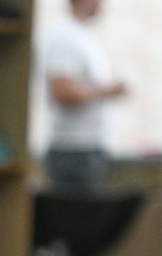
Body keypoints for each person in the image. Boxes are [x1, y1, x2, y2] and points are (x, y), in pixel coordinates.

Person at [42, 0, 127, 187]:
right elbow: (62, 92)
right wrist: (107, 91)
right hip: (74, 149)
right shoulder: (65, 37)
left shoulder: (83, 36)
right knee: (75, 214)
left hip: (87, 147)